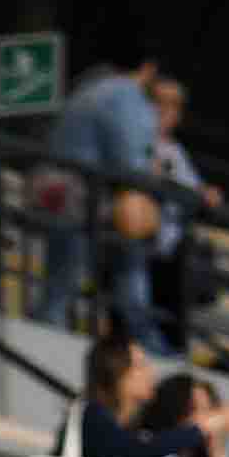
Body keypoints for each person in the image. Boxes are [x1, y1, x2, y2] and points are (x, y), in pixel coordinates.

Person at [46, 53, 173, 347]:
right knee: (131, 253)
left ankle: (53, 323)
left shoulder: (87, 88)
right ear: (148, 69)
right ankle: (143, 335)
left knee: (60, 282)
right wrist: (156, 176)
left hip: (54, 187)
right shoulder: (126, 95)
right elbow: (130, 163)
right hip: (82, 195)